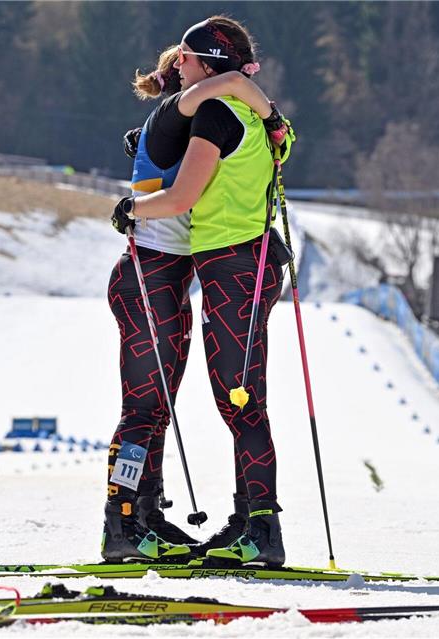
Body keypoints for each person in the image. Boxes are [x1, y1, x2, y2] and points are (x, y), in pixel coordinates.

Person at [110, 16, 294, 567]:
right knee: (155, 408)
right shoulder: (190, 113)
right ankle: (131, 522)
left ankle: (246, 528)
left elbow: (186, 193)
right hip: (177, 271)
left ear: (205, 65)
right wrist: (275, 115)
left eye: (183, 59)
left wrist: (128, 209)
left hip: (205, 266)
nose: (173, 65)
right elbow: (251, 107)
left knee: (218, 404)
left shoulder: (207, 109)